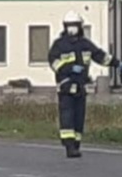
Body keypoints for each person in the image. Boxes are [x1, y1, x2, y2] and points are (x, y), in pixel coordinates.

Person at [47, 10, 110, 158]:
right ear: (65, 26)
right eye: (70, 25)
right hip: (66, 87)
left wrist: (119, 64)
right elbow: (54, 62)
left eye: (75, 25)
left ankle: (76, 145)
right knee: (67, 117)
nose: (72, 28)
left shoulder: (85, 44)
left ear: (80, 26)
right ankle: (69, 146)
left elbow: (100, 56)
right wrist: (69, 68)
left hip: (81, 87)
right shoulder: (59, 45)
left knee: (79, 118)